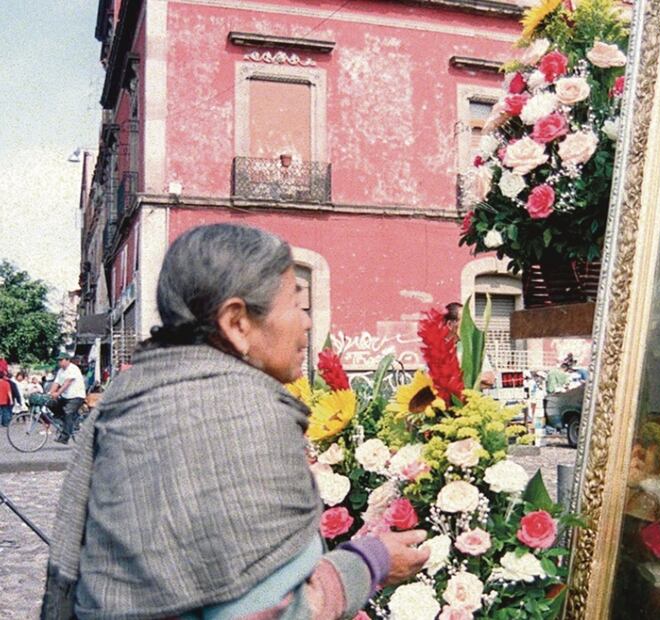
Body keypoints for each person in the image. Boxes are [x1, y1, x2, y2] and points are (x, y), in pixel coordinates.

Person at [43, 223, 429, 619]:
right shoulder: (246, 417)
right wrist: (370, 562)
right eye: (296, 303)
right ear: (237, 322)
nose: (307, 322)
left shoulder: (126, 399)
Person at [48, 353, 87, 443]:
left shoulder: (73, 369)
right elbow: (56, 383)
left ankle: (65, 437)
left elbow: (67, 383)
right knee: (50, 403)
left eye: (61, 360)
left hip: (76, 396)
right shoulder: (60, 371)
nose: (59, 362)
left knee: (68, 412)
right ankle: (65, 422)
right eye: (58, 360)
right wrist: (50, 393)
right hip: (65, 397)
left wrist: (57, 393)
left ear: (67, 360)